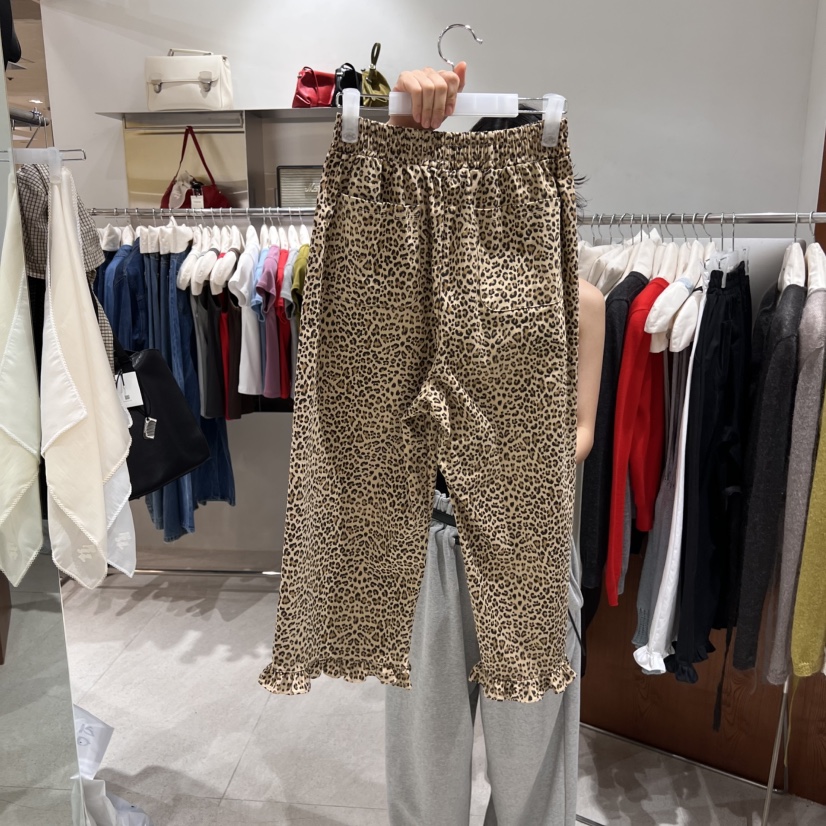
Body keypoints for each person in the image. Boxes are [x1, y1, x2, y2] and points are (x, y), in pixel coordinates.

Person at [384, 64, 605, 826]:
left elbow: (581, 429)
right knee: (425, 754)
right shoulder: (430, 292)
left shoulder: (581, 302)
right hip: (434, 538)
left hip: (530, 544)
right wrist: (404, 126)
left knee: (533, 763)